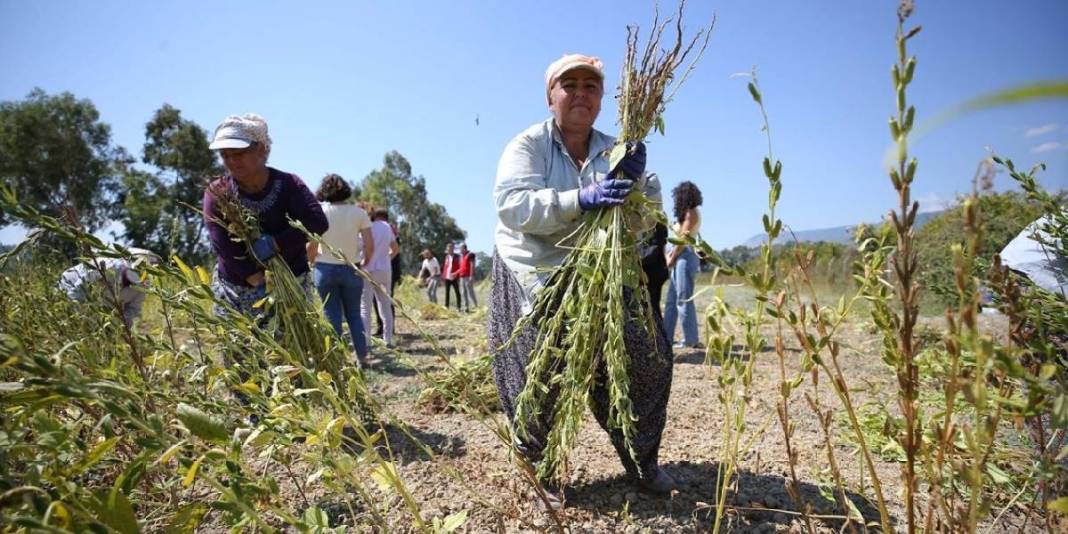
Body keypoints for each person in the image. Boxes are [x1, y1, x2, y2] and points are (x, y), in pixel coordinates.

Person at [488, 53, 675, 504]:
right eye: (568, 85)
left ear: (602, 98)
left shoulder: (618, 149)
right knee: (540, 364)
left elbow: (645, 222)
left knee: (644, 356)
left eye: (590, 86)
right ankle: (539, 469)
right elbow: (513, 205)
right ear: (550, 97)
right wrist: (581, 199)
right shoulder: (528, 145)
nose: (580, 94)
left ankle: (642, 460)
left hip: (601, 269)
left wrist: (638, 188)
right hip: (536, 266)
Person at [202, 113, 327, 320]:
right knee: (242, 340)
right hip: (237, 287)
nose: (231, 161)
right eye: (225, 155)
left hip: (291, 280)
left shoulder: (288, 184)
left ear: (260, 149)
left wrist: (277, 243)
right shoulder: (218, 193)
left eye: (238, 153)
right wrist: (260, 282)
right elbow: (222, 244)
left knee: (292, 338)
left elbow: (316, 221)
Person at [308, 173, 375, 365]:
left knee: (332, 315)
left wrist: (312, 262)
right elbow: (370, 245)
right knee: (354, 314)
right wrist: (365, 261)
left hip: (324, 269)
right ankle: (362, 357)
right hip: (351, 268)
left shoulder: (319, 212)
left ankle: (336, 360)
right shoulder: (359, 213)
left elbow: (311, 246)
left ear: (323, 191)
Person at [59, 246, 158, 327]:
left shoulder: (144, 284)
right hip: (70, 284)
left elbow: (133, 308)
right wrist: (79, 319)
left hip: (102, 309)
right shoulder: (106, 267)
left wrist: (124, 321)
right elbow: (76, 293)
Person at [663, 181, 704, 349]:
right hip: (679, 256)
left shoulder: (691, 213)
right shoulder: (687, 213)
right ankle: (666, 337)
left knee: (683, 298)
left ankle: (691, 339)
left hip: (684, 256)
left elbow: (683, 237)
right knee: (671, 300)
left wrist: (672, 256)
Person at [361, 208, 398, 348]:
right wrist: (387, 259)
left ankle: (366, 341)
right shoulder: (388, 227)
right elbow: (395, 249)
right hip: (385, 271)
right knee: (385, 305)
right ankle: (387, 340)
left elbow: (362, 246)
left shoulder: (367, 226)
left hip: (368, 269)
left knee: (365, 307)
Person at [640, 222, 670, 322]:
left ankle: (657, 329)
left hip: (653, 272)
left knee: (652, 306)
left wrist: (637, 259)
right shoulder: (653, 222)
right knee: (652, 305)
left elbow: (654, 249)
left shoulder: (655, 223)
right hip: (655, 270)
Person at [441, 242, 462, 310]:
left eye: (451, 248)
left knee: (457, 292)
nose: (449, 250)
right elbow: (445, 267)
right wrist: (443, 276)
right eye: (448, 249)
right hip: (447, 277)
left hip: (454, 277)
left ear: (453, 248)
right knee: (447, 292)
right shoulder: (446, 257)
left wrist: (456, 274)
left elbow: (460, 267)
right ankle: (446, 306)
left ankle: (458, 307)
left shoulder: (457, 256)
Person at [458, 243, 478, 312]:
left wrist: (471, 276)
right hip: (462, 277)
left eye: (460, 248)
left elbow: (472, 265)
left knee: (470, 292)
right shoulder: (462, 256)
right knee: (463, 292)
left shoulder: (470, 255)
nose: (459, 250)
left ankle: (475, 306)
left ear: (464, 248)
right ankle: (466, 307)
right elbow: (461, 267)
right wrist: (456, 274)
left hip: (468, 277)